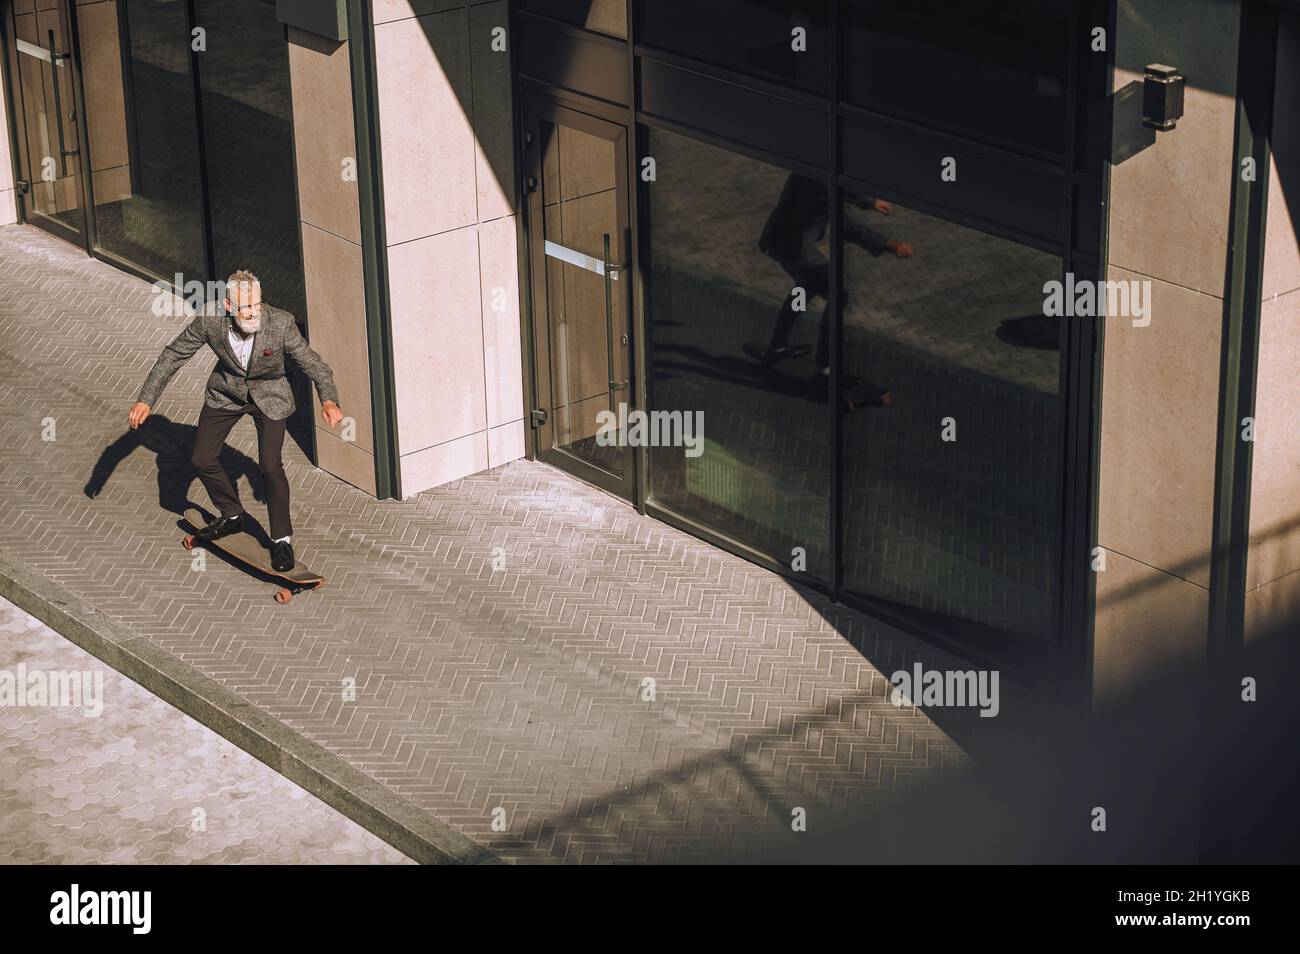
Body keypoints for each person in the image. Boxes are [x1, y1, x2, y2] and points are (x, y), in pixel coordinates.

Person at [128, 270, 343, 571]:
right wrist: (146, 398)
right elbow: (173, 355)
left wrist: (329, 399)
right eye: (246, 307)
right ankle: (231, 515)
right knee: (202, 458)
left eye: (257, 304)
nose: (254, 312)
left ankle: (282, 540)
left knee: (269, 466)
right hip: (226, 394)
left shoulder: (280, 323)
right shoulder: (210, 321)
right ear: (228, 306)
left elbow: (312, 363)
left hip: (270, 397)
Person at [748, 172, 913, 390]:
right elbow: (842, 223)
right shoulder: (818, 182)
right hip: (793, 246)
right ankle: (822, 367)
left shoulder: (809, 169)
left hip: (781, 240)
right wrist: (885, 241)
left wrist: (870, 203)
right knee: (838, 295)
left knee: (806, 286)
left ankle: (777, 345)